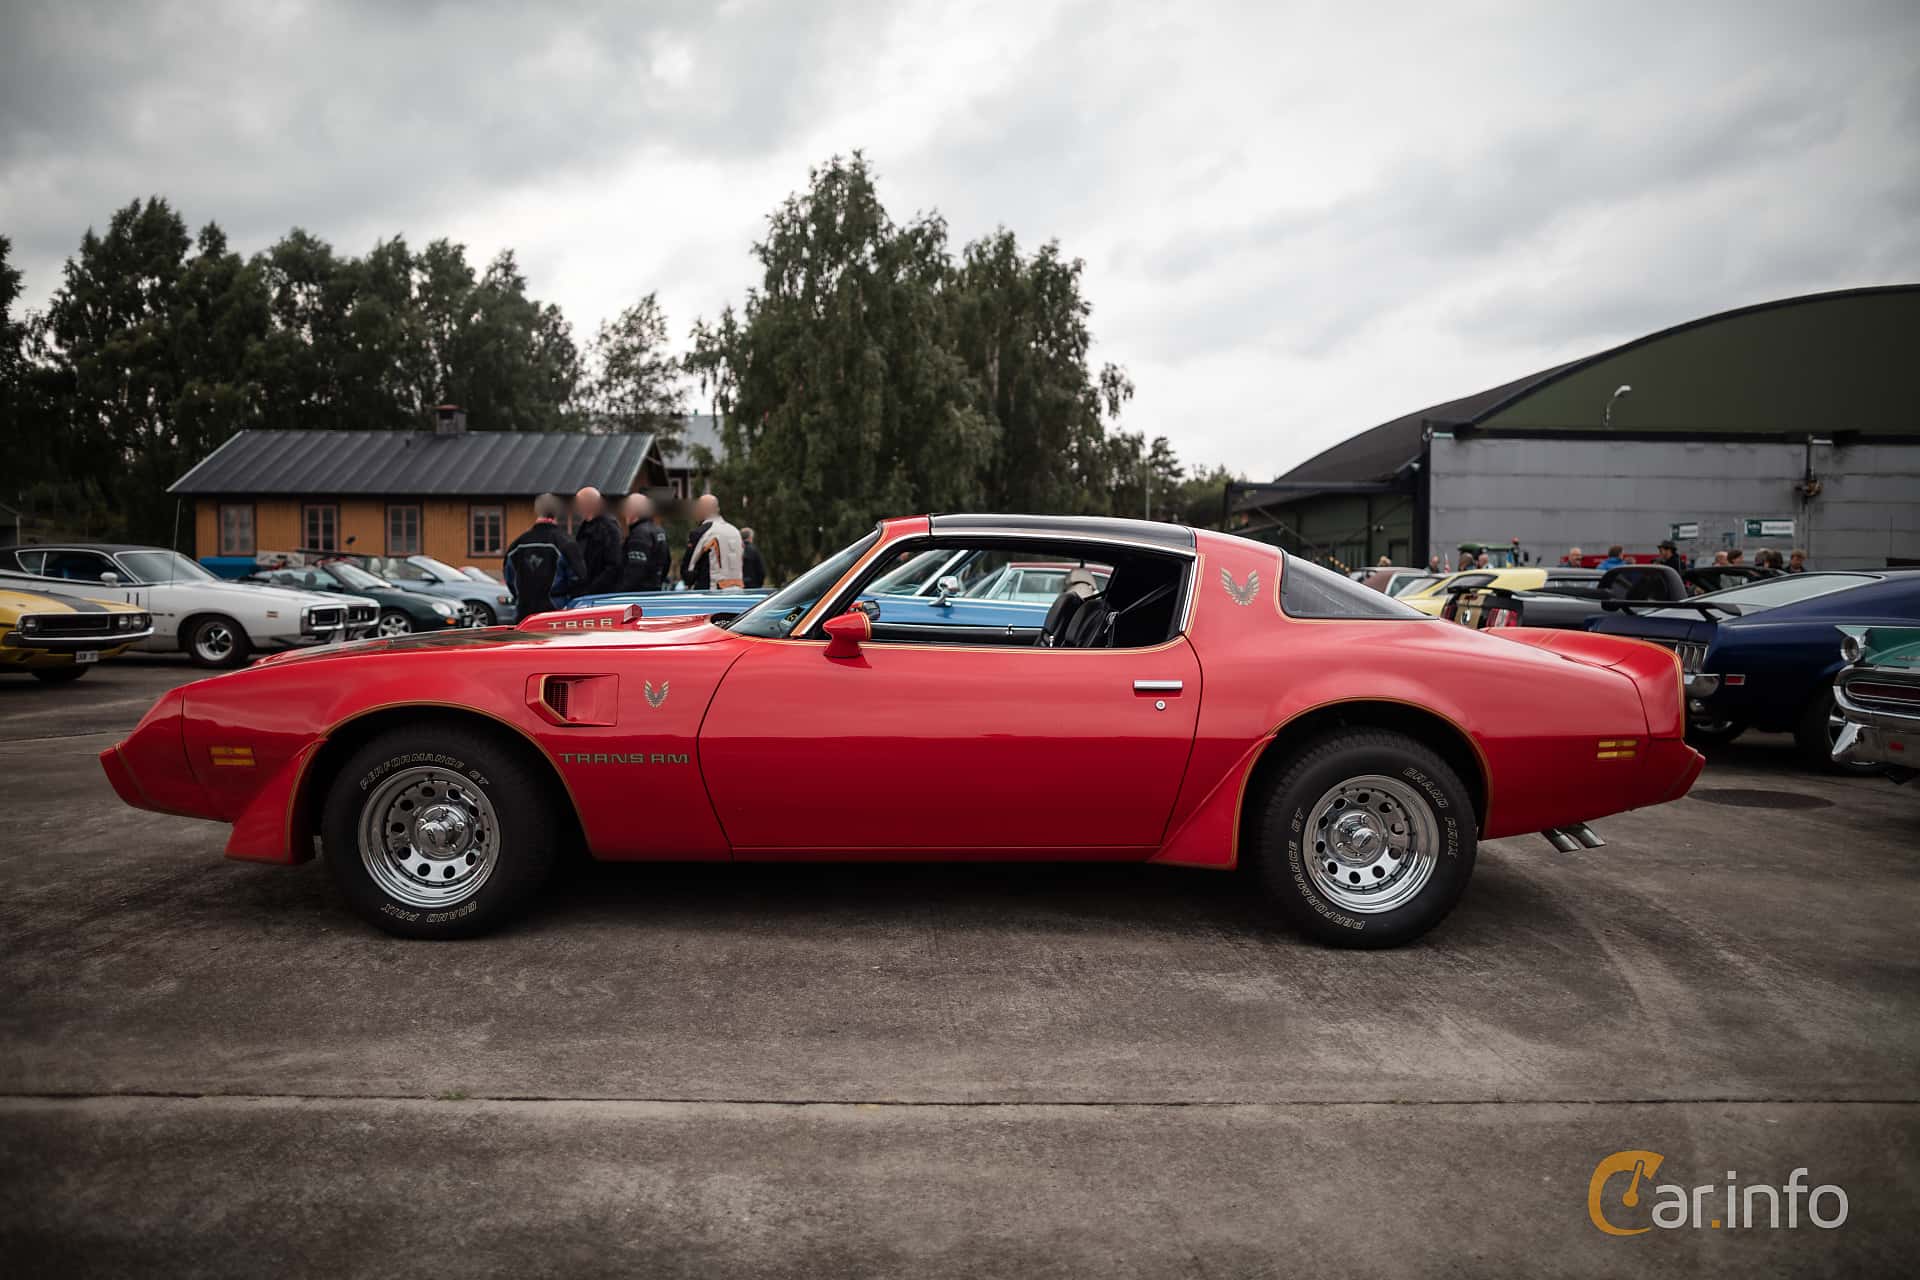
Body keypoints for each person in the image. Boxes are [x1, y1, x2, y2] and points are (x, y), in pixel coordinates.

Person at [504, 493, 587, 617]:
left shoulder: (517, 545)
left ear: (536, 511)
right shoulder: (566, 543)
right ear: (558, 512)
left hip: (524, 613)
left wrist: (522, 597)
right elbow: (579, 578)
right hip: (556, 611)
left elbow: (509, 578)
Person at [683, 493, 745, 591]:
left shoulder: (702, 532)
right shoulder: (735, 531)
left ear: (702, 509)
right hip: (737, 591)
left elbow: (688, 569)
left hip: (712, 592)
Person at [572, 486, 623, 598]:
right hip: (583, 591)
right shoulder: (585, 527)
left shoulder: (608, 528)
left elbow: (613, 565)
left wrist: (590, 590)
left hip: (598, 595)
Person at [617, 493, 671, 592]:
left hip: (638, 594)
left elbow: (634, 572)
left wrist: (619, 591)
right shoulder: (659, 530)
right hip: (655, 589)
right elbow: (667, 562)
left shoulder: (639, 535)